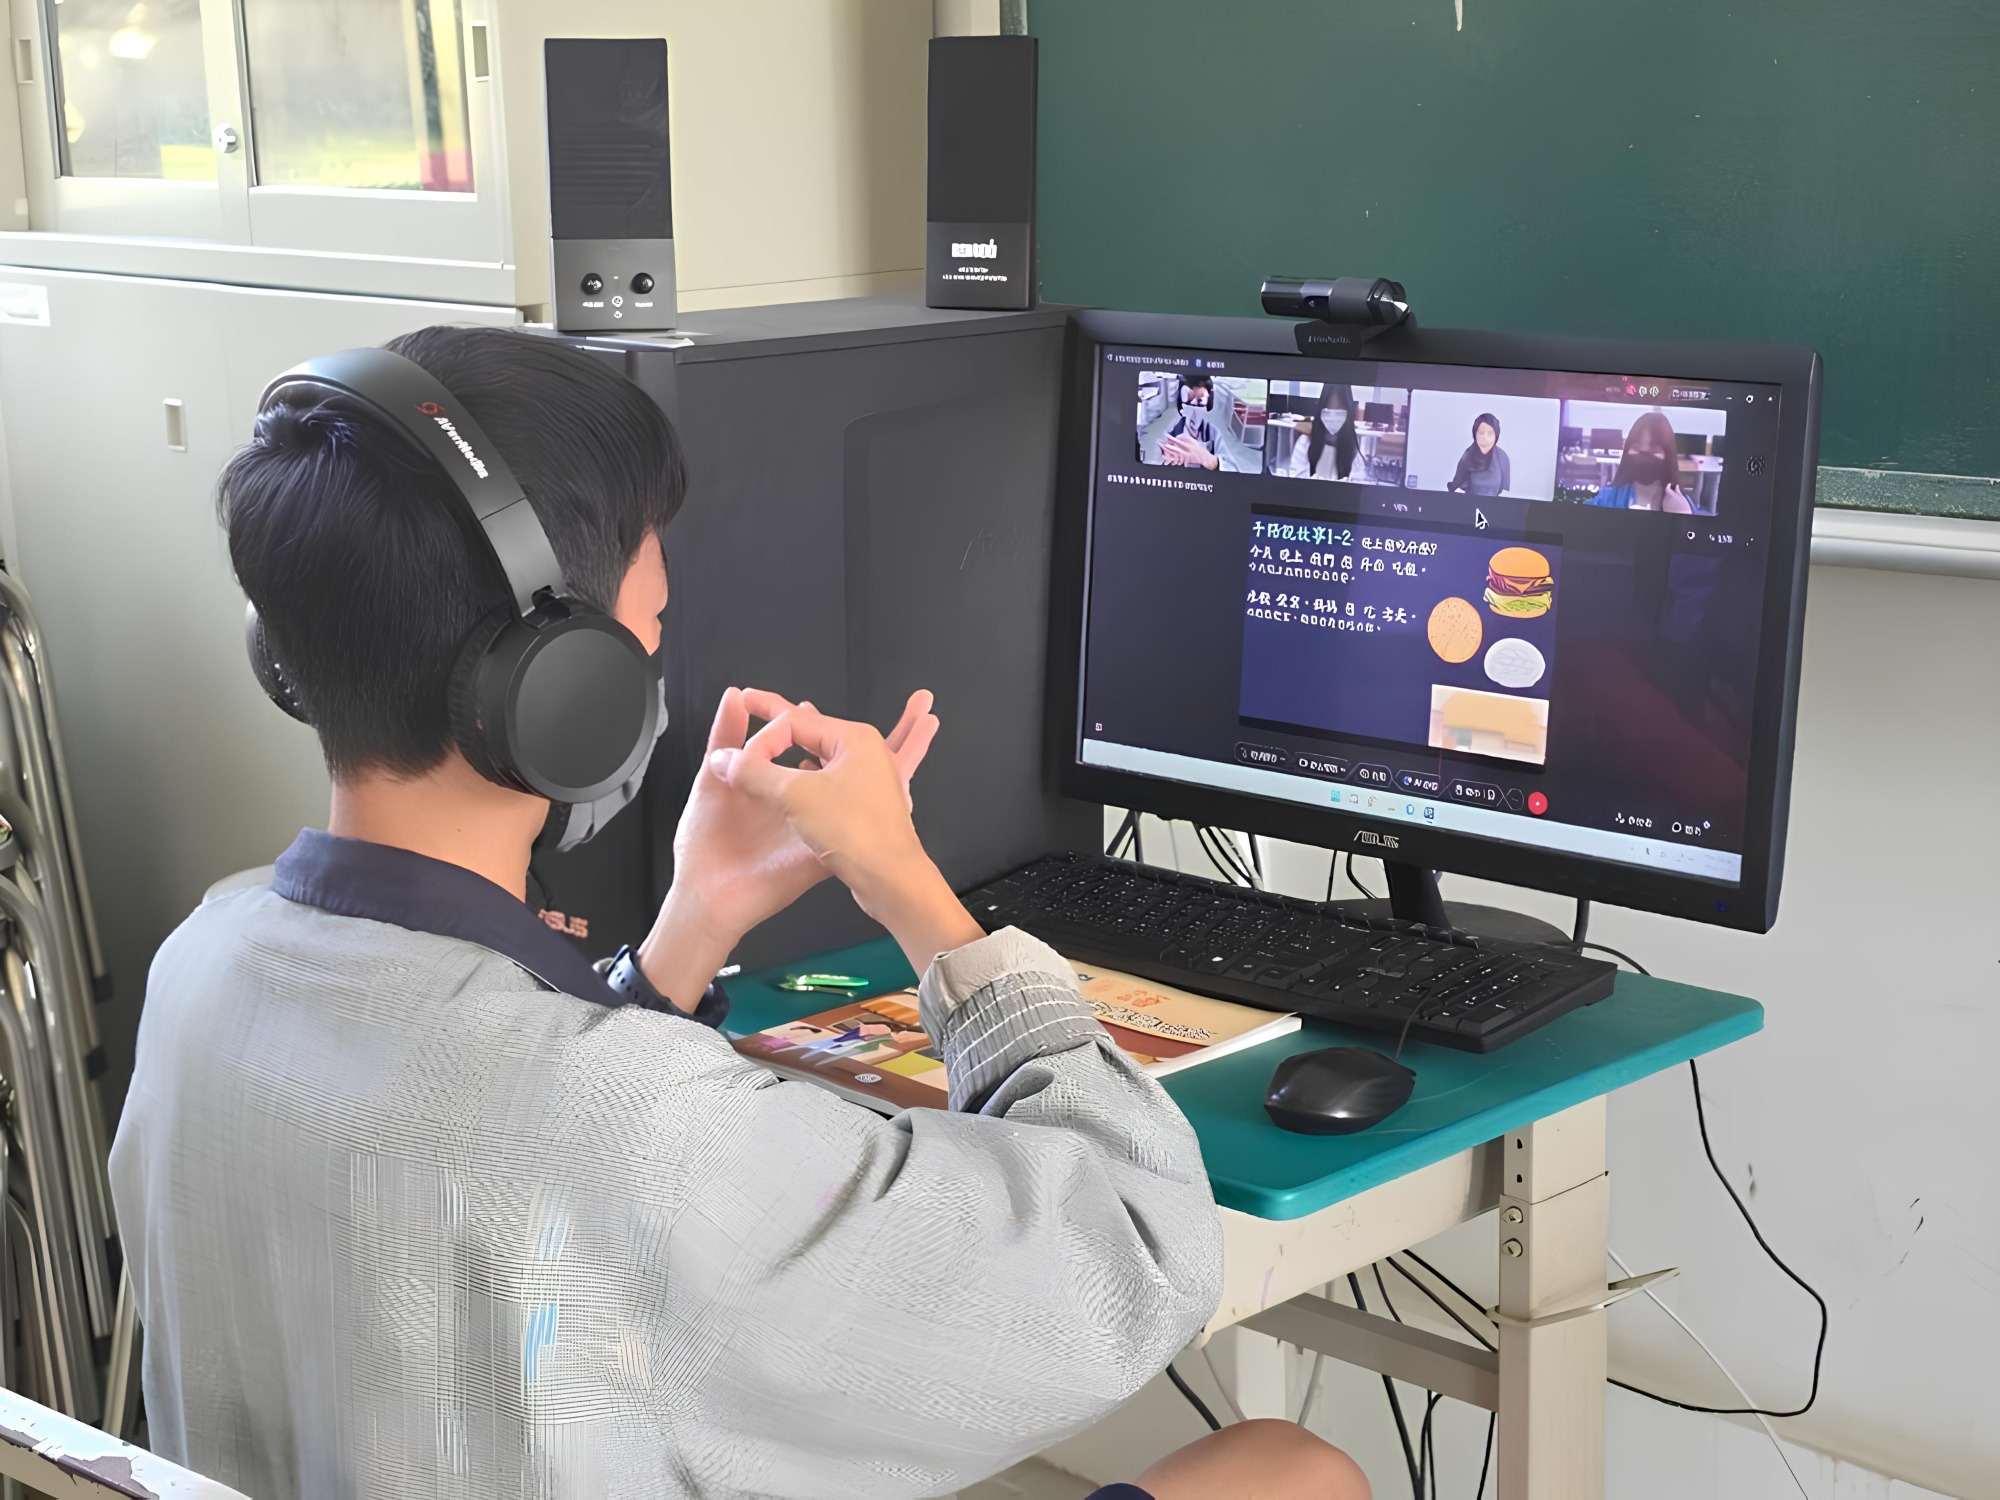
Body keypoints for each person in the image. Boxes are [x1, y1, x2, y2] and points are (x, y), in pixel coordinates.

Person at [108, 327, 1367, 1500]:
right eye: (647, 633)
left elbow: (498, 1131)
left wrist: (687, 932)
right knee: (1288, 1471)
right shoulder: (642, 1135)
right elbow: (1132, 1262)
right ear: (563, 691)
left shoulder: (201, 967)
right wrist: (906, 883)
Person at [1590, 410, 1695, 512]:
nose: (1644, 454)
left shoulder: (1684, 505)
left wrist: (1682, 515)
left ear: (1668, 455)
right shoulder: (1603, 499)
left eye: (1654, 450)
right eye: (1636, 447)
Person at [1283, 383, 1361, 482]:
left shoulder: (1354, 448)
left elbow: (1358, 482)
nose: (1333, 415)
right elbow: (1296, 481)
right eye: (1329, 408)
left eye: (1339, 409)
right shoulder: (1305, 443)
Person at [1157, 370, 1222, 469]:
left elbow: (1226, 468)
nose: (1193, 409)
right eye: (1188, 401)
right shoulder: (1171, 430)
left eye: (1200, 402)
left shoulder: (1215, 433)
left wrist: (1211, 462)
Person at [1445, 411, 1511, 496]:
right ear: (1475, 433)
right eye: (1481, 433)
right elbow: (1456, 486)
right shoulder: (1468, 455)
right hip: (1471, 502)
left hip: (1494, 503)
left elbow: (1505, 493)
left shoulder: (1502, 457)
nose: (1485, 438)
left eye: (1490, 434)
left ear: (1496, 436)